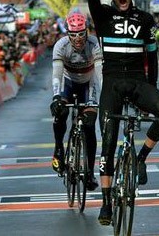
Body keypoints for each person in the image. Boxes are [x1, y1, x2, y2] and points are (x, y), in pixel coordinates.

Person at [75, 0, 159, 225]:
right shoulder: (103, 15)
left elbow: (151, 55)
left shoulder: (147, 20)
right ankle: (106, 204)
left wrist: (152, 88)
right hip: (113, 84)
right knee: (106, 144)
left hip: (139, 82)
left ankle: (141, 158)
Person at [50, 12, 102, 192]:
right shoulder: (61, 46)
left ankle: (90, 172)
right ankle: (59, 149)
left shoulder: (94, 44)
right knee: (61, 111)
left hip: (89, 83)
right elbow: (57, 74)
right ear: (67, 34)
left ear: (87, 32)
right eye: (73, 35)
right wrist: (56, 97)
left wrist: (98, 98)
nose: (78, 39)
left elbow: (99, 74)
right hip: (68, 83)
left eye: (81, 34)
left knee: (89, 125)